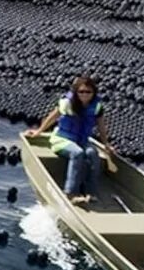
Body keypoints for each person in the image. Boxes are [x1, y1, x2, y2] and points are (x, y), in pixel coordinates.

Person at [36, 77, 113, 205]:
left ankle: (90, 192)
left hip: (81, 140)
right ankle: (70, 193)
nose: (84, 94)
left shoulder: (97, 107)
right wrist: (39, 131)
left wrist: (106, 144)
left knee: (93, 154)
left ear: (93, 93)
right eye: (81, 91)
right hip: (61, 139)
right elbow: (53, 116)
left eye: (88, 92)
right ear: (76, 92)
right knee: (77, 153)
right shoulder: (67, 103)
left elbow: (101, 126)